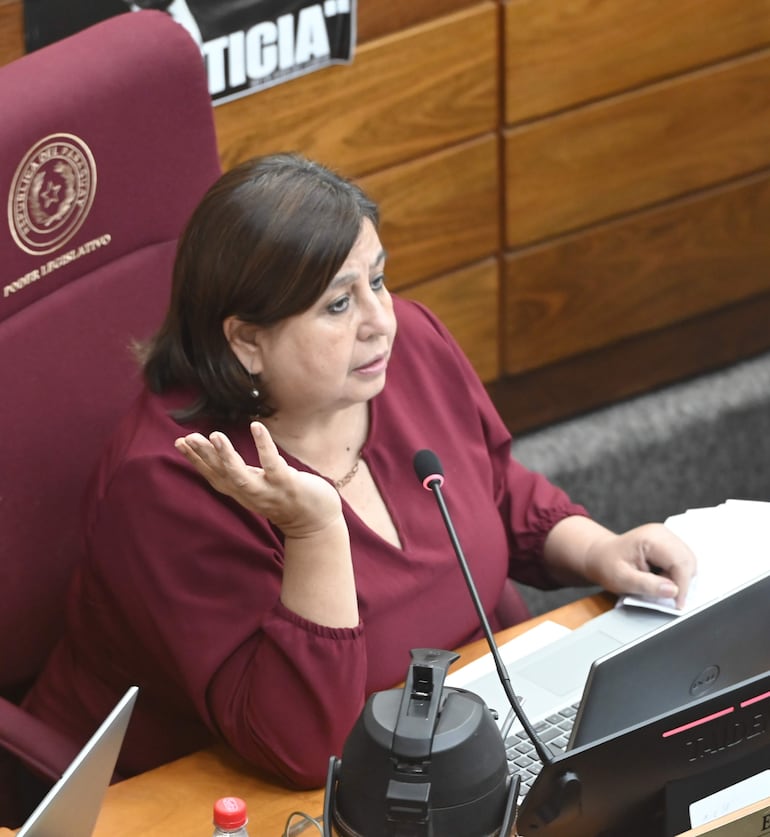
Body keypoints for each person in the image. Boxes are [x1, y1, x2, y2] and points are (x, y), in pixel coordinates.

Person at [24, 153, 695, 791]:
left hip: (459, 733)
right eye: (337, 305)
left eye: (377, 280)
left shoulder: (407, 354)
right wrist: (315, 529)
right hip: (202, 799)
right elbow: (305, 745)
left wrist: (599, 547)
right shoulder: (172, 482)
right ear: (246, 341)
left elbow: (494, 489)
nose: (381, 321)